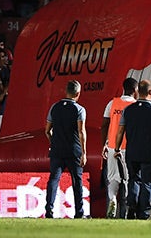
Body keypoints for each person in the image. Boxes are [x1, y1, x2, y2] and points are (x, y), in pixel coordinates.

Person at [114, 80, 151, 220]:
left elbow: (120, 131)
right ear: (150, 92)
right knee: (147, 183)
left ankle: (131, 207)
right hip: (149, 153)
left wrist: (117, 147)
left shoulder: (128, 109)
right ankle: (143, 212)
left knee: (133, 180)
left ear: (138, 92)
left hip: (131, 152)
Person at [44, 80, 87, 219]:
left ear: (66, 91)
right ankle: (79, 213)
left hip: (57, 150)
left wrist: (53, 142)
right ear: (78, 93)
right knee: (77, 181)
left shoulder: (54, 107)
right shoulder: (79, 109)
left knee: (54, 179)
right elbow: (81, 131)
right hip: (74, 150)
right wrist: (84, 152)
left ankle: (49, 210)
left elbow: (47, 130)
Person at [101, 77, 138, 218]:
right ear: (135, 91)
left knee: (113, 178)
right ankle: (128, 210)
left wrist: (104, 144)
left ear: (123, 88)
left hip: (112, 147)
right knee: (129, 179)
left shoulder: (112, 103)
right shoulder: (136, 106)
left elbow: (104, 125)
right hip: (130, 148)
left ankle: (112, 201)